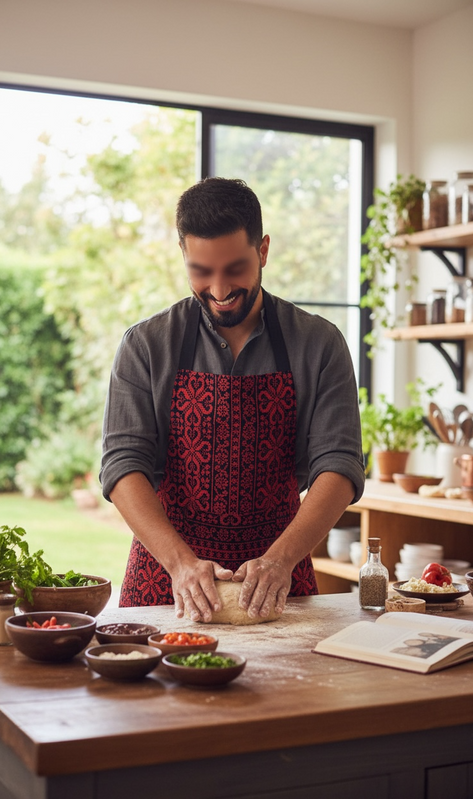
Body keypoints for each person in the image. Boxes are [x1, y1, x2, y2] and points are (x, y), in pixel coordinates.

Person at [100, 177, 365, 623]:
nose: (219, 289)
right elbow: (123, 465)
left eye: (234, 268)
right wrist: (180, 563)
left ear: (262, 250)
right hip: (167, 580)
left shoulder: (320, 343)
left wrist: (280, 560)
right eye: (201, 271)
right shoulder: (146, 345)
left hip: (279, 579)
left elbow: (340, 464)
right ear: (183, 254)